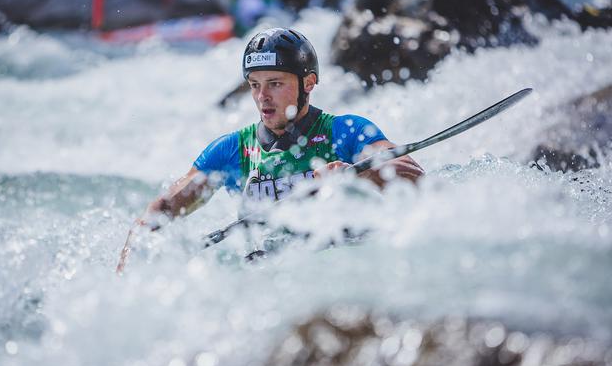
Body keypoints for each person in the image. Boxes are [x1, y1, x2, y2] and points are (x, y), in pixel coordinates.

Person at [117, 27, 423, 270]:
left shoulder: (344, 132)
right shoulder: (231, 150)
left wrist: (359, 173)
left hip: (340, 263)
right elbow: (163, 208)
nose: (263, 96)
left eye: (275, 83)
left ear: (309, 83)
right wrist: (131, 259)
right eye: (254, 85)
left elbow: (415, 176)